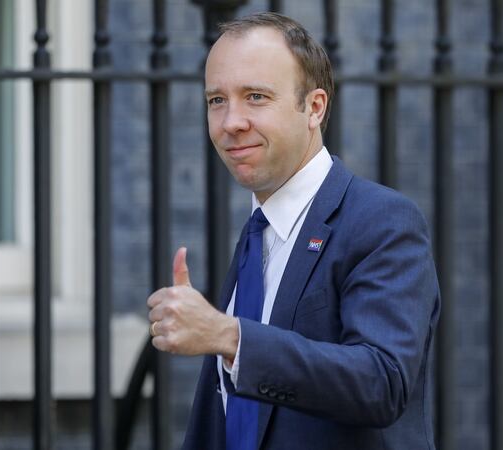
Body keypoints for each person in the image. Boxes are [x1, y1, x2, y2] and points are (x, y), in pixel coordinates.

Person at [146, 12, 440, 450]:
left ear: (314, 107)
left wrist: (228, 336)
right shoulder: (257, 232)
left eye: (256, 97)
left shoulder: (381, 221)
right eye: (216, 100)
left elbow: (383, 381)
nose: (231, 122)